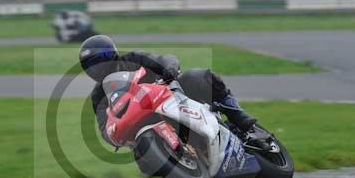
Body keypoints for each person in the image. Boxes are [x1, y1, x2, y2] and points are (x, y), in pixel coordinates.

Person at [79, 35, 258, 145]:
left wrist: (169, 69)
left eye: (101, 59)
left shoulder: (132, 58)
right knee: (143, 162)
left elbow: (163, 59)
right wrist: (112, 136)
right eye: (91, 66)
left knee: (200, 76)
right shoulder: (98, 96)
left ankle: (238, 116)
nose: (98, 68)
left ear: (112, 53)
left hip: (171, 95)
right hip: (139, 120)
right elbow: (104, 126)